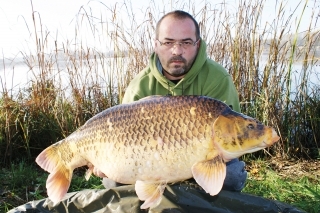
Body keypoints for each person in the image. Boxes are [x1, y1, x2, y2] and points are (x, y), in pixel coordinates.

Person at [109, 10, 247, 192]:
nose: (177, 51)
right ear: (156, 45)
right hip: (151, 158)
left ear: (197, 45)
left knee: (232, 176)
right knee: (111, 181)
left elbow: (231, 138)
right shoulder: (138, 87)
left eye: (186, 42)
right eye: (168, 42)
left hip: (203, 156)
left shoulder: (217, 78)